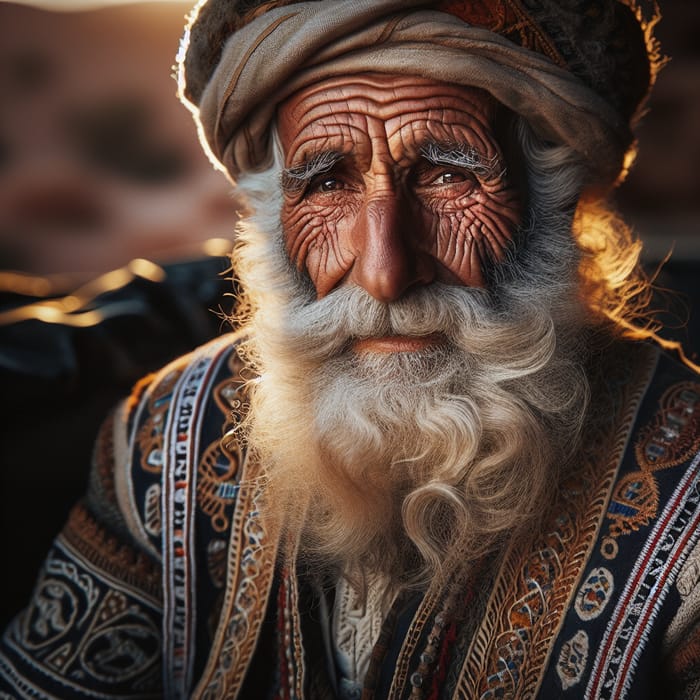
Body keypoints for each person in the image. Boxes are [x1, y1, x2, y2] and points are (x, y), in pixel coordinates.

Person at [1, 0, 699, 697]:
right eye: (327, 183)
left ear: (553, 202)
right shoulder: (168, 438)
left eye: (446, 174)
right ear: (274, 218)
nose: (385, 270)